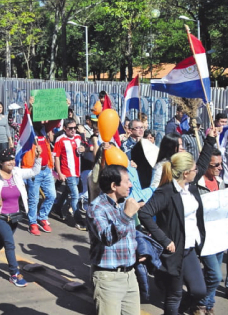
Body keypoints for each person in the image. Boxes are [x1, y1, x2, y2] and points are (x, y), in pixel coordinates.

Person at [138, 131, 215, 315]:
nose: (198, 172)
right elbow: (145, 213)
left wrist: (210, 140)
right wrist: (164, 240)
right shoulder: (166, 192)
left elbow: (203, 164)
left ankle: (164, 282)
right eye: (194, 170)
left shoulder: (189, 185)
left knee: (199, 290)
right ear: (186, 173)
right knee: (175, 295)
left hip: (189, 249)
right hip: (173, 250)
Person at [86, 165, 144, 315]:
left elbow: (130, 236)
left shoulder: (125, 203)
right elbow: (108, 238)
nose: (130, 184)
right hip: (108, 279)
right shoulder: (96, 208)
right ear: (113, 186)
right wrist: (126, 216)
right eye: (127, 181)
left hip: (130, 276)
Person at [0, 148, 42, 287]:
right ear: (1, 162)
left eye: (13, 159)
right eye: (8, 160)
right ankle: (14, 274)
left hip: (14, 216)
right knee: (9, 243)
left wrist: (38, 158)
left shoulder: (17, 173)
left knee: (3, 240)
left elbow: (34, 171)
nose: (11, 162)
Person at [194, 149, 224, 314]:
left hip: (219, 235)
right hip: (204, 236)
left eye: (220, 164)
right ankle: (200, 302)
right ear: (206, 165)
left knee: (212, 272)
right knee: (215, 275)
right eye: (215, 165)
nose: (220, 168)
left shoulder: (220, 183)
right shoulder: (197, 185)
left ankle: (209, 305)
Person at [52, 118, 87, 230]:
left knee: (67, 191)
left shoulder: (78, 137)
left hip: (77, 171)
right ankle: (78, 220)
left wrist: (83, 149)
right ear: (65, 129)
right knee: (75, 195)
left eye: (75, 128)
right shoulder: (60, 139)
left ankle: (57, 208)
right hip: (67, 172)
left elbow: (83, 147)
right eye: (70, 128)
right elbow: (56, 157)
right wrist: (60, 173)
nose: (73, 130)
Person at [23, 121, 56, 235]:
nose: (43, 121)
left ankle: (42, 217)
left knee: (52, 195)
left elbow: (55, 121)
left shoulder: (43, 129)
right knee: (34, 199)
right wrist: (31, 107)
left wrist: (65, 106)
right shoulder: (27, 131)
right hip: (33, 171)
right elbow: (28, 117)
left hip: (46, 170)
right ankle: (32, 223)